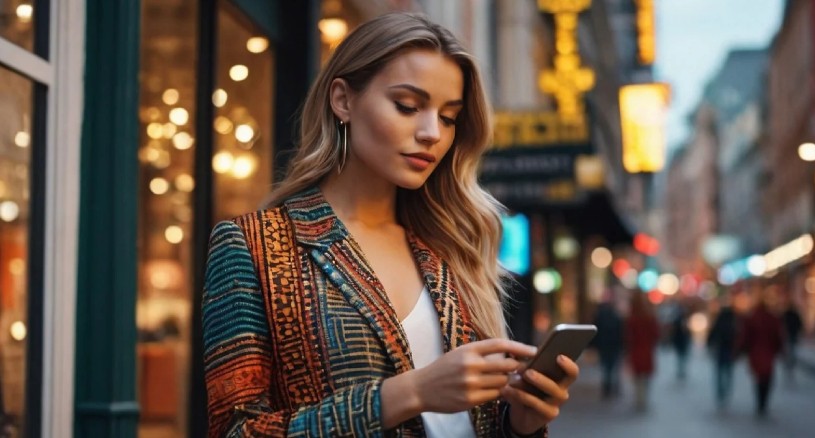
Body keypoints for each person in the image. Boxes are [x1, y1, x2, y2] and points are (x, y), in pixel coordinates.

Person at [202, 12, 580, 438]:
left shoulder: (451, 245)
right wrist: (408, 393)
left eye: (449, 116)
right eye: (408, 106)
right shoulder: (255, 246)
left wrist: (521, 425)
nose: (432, 132)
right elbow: (237, 431)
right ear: (343, 100)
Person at [737, 287, 784, 417]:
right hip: (767, 354)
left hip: (756, 354)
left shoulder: (753, 318)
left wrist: (741, 350)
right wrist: (780, 350)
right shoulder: (771, 318)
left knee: (759, 379)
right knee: (767, 378)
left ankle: (760, 403)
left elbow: (745, 337)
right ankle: (763, 403)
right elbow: (778, 337)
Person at [624, 291, 660, 412]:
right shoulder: (650, 316)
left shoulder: (632, 318)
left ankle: (639, 398)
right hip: (647, 351)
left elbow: (628, 336)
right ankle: (643, 398)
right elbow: (656, 334)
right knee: (645, 378)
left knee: (637, 377)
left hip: (636, 351)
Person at [707, 298, 738, 408]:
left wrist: (709, 344)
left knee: (720, 372)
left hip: (721, 350)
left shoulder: (720, 322)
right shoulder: (733, 323)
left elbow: (712, 334)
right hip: (728, 351)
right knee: (728, 372)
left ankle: (721, 392)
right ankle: (725, 390)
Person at [591, 299, 624, 399]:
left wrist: (595, 345)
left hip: (604, 346)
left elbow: (596, 332)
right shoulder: (616, 317)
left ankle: (607, 387)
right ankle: (613, 386)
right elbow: (620, 333)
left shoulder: (600, 317)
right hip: (614, 346)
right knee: (613, 367)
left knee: (606, 368)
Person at [781, 297, 804, 382]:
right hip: (791, 336)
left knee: (790, 351)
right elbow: (800, 324)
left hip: (789, 336)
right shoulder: (791, 314)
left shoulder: (786, 315)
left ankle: (789, 365)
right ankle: (790, 365)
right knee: (791, 351)